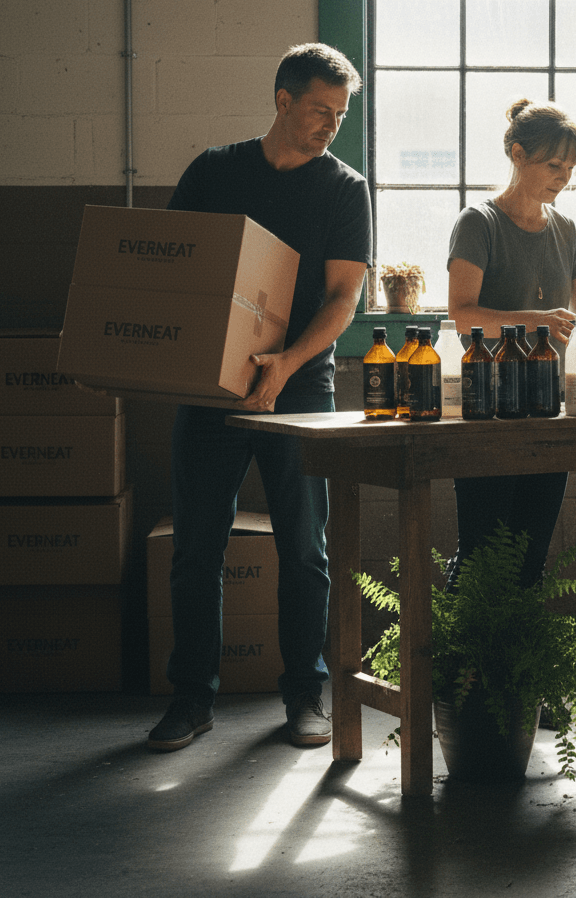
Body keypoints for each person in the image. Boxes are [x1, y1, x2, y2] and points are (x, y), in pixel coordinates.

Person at [147, 43, 372, 752]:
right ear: (282, 99)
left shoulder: (344, 188)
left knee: (305, 551)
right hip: (211, 389)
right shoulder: (214, 171)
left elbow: (343, 300)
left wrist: (285, 364)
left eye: (339, 115)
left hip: (300, 390)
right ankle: (191, 700)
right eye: (318, 110)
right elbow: (175, 270)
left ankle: (305, 695)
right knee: (196, 549)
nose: (329, 126)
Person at [447, 98, 576, 590]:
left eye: (571, 168)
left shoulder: (566, 230)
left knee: (530, 552)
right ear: (517, 155)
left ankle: (516, 664)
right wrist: (535, 321)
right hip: (487, 409)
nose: (564, 177)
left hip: (549, 404)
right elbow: (462, 315)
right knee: (483, 552)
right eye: (554, 164)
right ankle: (460, 664)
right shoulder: (479, 223)